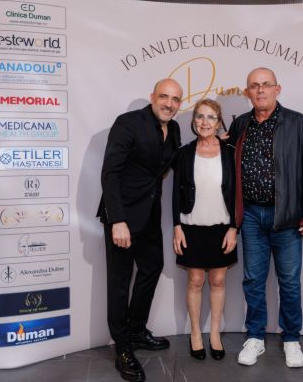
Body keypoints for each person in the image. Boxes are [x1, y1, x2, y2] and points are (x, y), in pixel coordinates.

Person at [227, 67, 303, 368]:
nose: (260, 90)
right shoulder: (240, 124)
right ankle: (255, 336)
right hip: (251, 216)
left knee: (290, 282)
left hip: (288, 216)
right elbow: (227, 170)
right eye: (254, 85)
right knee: (253, 280)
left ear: (277, 89)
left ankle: (291, 338)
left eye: (266, 84)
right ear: (247, 92)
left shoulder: (298, 123)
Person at [97, 78, 182, 382]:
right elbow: (110, 173)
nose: (169, 104)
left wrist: (216, 144)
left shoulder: (174, 129)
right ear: (153, 97)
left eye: (175, 99)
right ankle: (122, 347)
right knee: (120, 281)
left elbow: (175, 163)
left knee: (152, 267)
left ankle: (136, 330)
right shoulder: (128, 123)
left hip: (149, 216)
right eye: (164, 97)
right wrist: (117, 220)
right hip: (123, 216)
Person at [172, 99, 237, 361]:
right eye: (200, 116)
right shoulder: (184, 153)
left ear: (219, 122)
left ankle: (215, 334)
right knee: (195, 281)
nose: (204, 122)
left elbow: (237, 193)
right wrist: (177, 226)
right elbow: (176, 193)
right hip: (191, 227)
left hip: (222, 227)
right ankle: (196, 333)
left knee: (218, 281)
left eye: (211, 117)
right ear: (193, 121)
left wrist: (234, 228)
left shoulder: (230, 152)